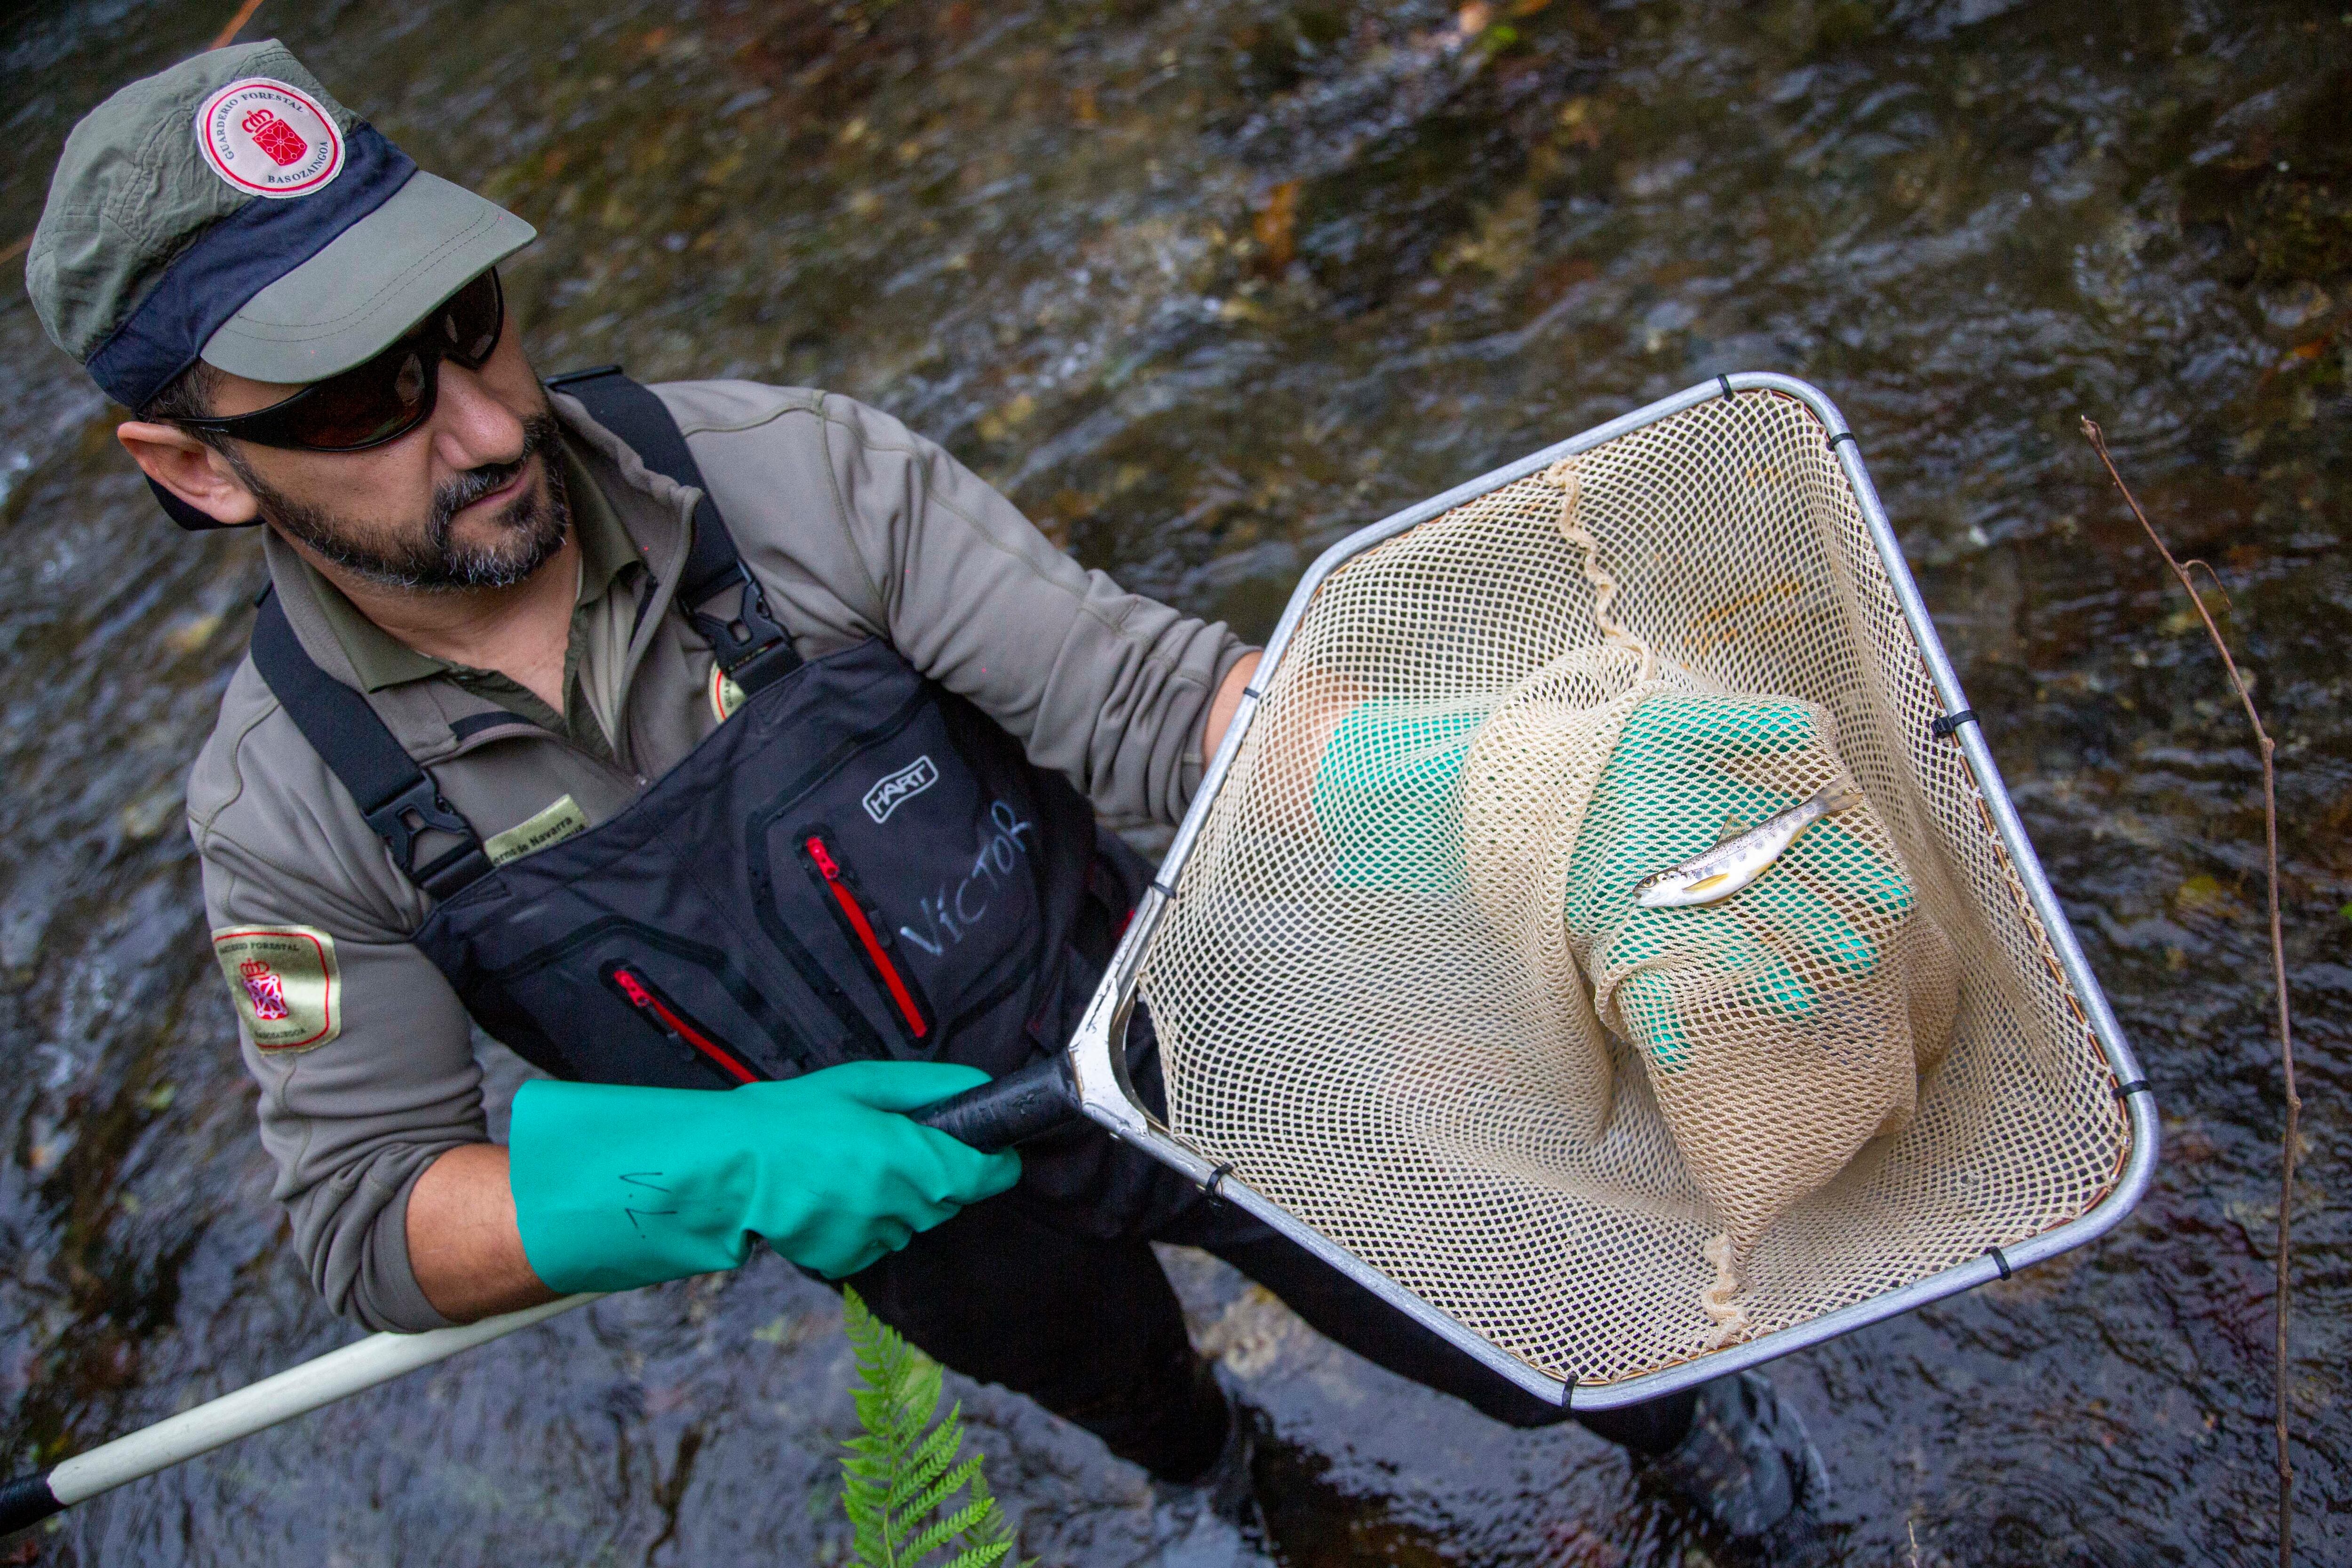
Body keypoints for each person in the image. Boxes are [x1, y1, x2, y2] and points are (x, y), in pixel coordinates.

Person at [27, 40, 1823, 1548]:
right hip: (925, 1233)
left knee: (1519, 1318)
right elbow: (372, 1214)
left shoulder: (784, 475)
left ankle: (1714, 1462)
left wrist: (1503, 794)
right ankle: (1246, 1488)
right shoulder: (289, 813)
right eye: (362, 400)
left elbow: (1145, 698)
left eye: (469, 321)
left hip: (1187, 1034)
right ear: (195, 468)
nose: (487, 423)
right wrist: (727, 1175)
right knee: (1136, 1404)